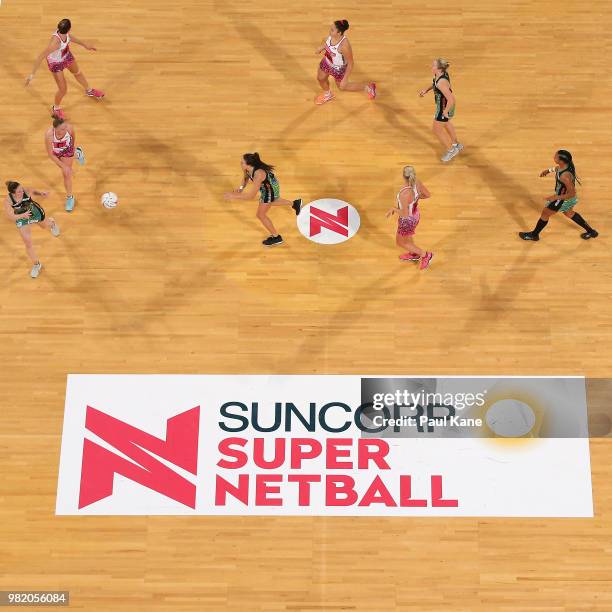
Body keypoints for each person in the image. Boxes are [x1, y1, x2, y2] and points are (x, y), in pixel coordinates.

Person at [25, 18, 104, 119]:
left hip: (66, 55)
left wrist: (85, 45)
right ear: (69, 28)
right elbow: (40, 57)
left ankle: (89, 90)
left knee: (77, 73)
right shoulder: (55, 43)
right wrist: (31, 75)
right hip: (56, 63)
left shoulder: (65, 34)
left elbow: (71, 38)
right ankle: (56, 108)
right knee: (63, 90)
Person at [224, 153, 302, 247]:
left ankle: (276, 237)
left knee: (261, 215)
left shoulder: (259, 174)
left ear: (249, 164)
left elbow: (251, 196)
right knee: (271, 201)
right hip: (267, 185)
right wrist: (241, 188)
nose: (241, 163)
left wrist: (233, 196)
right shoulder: (247, 169)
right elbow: (245, 178)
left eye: (242, 162)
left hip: (270, 188)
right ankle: (295, 203)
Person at [519, 150, 598, 241]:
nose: (554, 157)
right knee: (569, 213)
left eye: (556, 156)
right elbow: (557, 168)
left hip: (563, 199)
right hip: (565, 198)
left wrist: (556, 197)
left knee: (545, 213)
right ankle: (591, 232)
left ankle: (534, 235)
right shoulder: (566, 166)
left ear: (561, 161)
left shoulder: (565, 177)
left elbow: (572, 193)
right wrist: (548, 170)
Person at [3, 181, 60, 278]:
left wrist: (41, 193)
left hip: (34, 211)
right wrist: (23, 215)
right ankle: (37, 264)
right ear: (13, 193)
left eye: (21, 189)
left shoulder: (24, 190)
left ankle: (52, 223)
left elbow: (33, 190)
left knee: (44, 226)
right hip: (21, 217)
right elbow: (11, 216)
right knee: (27, 242)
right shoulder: (8, 200)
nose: (22, 191)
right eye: (19, 191)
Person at [314, 20, 376, 105]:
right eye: (330, 28)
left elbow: (351, 63)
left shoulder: (344, 46)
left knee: (342, 87)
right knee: (321, 78)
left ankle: (368, 87)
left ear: (339, 33)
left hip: (339, 69)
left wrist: (345, 79)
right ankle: (328, 95)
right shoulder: (332, 36)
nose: (329, 31)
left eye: (332, 30)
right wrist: (321, 47)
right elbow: (327, 43)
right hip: (327, 62)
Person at [386, 165, 433, 269]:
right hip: (416, 215)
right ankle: (414, 253)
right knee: (407, 237)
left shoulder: (404, 194)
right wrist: (416, 199)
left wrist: (394, 209)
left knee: (400, 242)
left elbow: (405, 214)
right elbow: (427, 195)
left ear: (403, 176)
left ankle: (425, 255)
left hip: (408, 220)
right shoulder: (417, 182)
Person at [419, 59, 463, 163]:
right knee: (446, 123)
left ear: (438, 69)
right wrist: (426, 89)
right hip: (445, 106)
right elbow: (434, 83)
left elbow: (451, 99)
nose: (431, 66)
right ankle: (456, 145)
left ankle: (451, 150)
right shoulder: (441, 75)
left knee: (436, 130)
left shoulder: (441, 83)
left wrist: (445, 112)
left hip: (444, 107)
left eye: (433, 65)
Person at [44, 115, 86, 212]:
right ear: (55, 129)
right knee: (65, 169)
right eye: (62, 129)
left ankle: (70, 198)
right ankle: (78, 152)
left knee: (66, 174)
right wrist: (63, 166)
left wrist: (70, 154)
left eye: (65, 127)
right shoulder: (49, 136)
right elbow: (51, 155)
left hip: (67, 151)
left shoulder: (69, 129)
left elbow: (72, 141)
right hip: (56, 153)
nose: (65, 129)